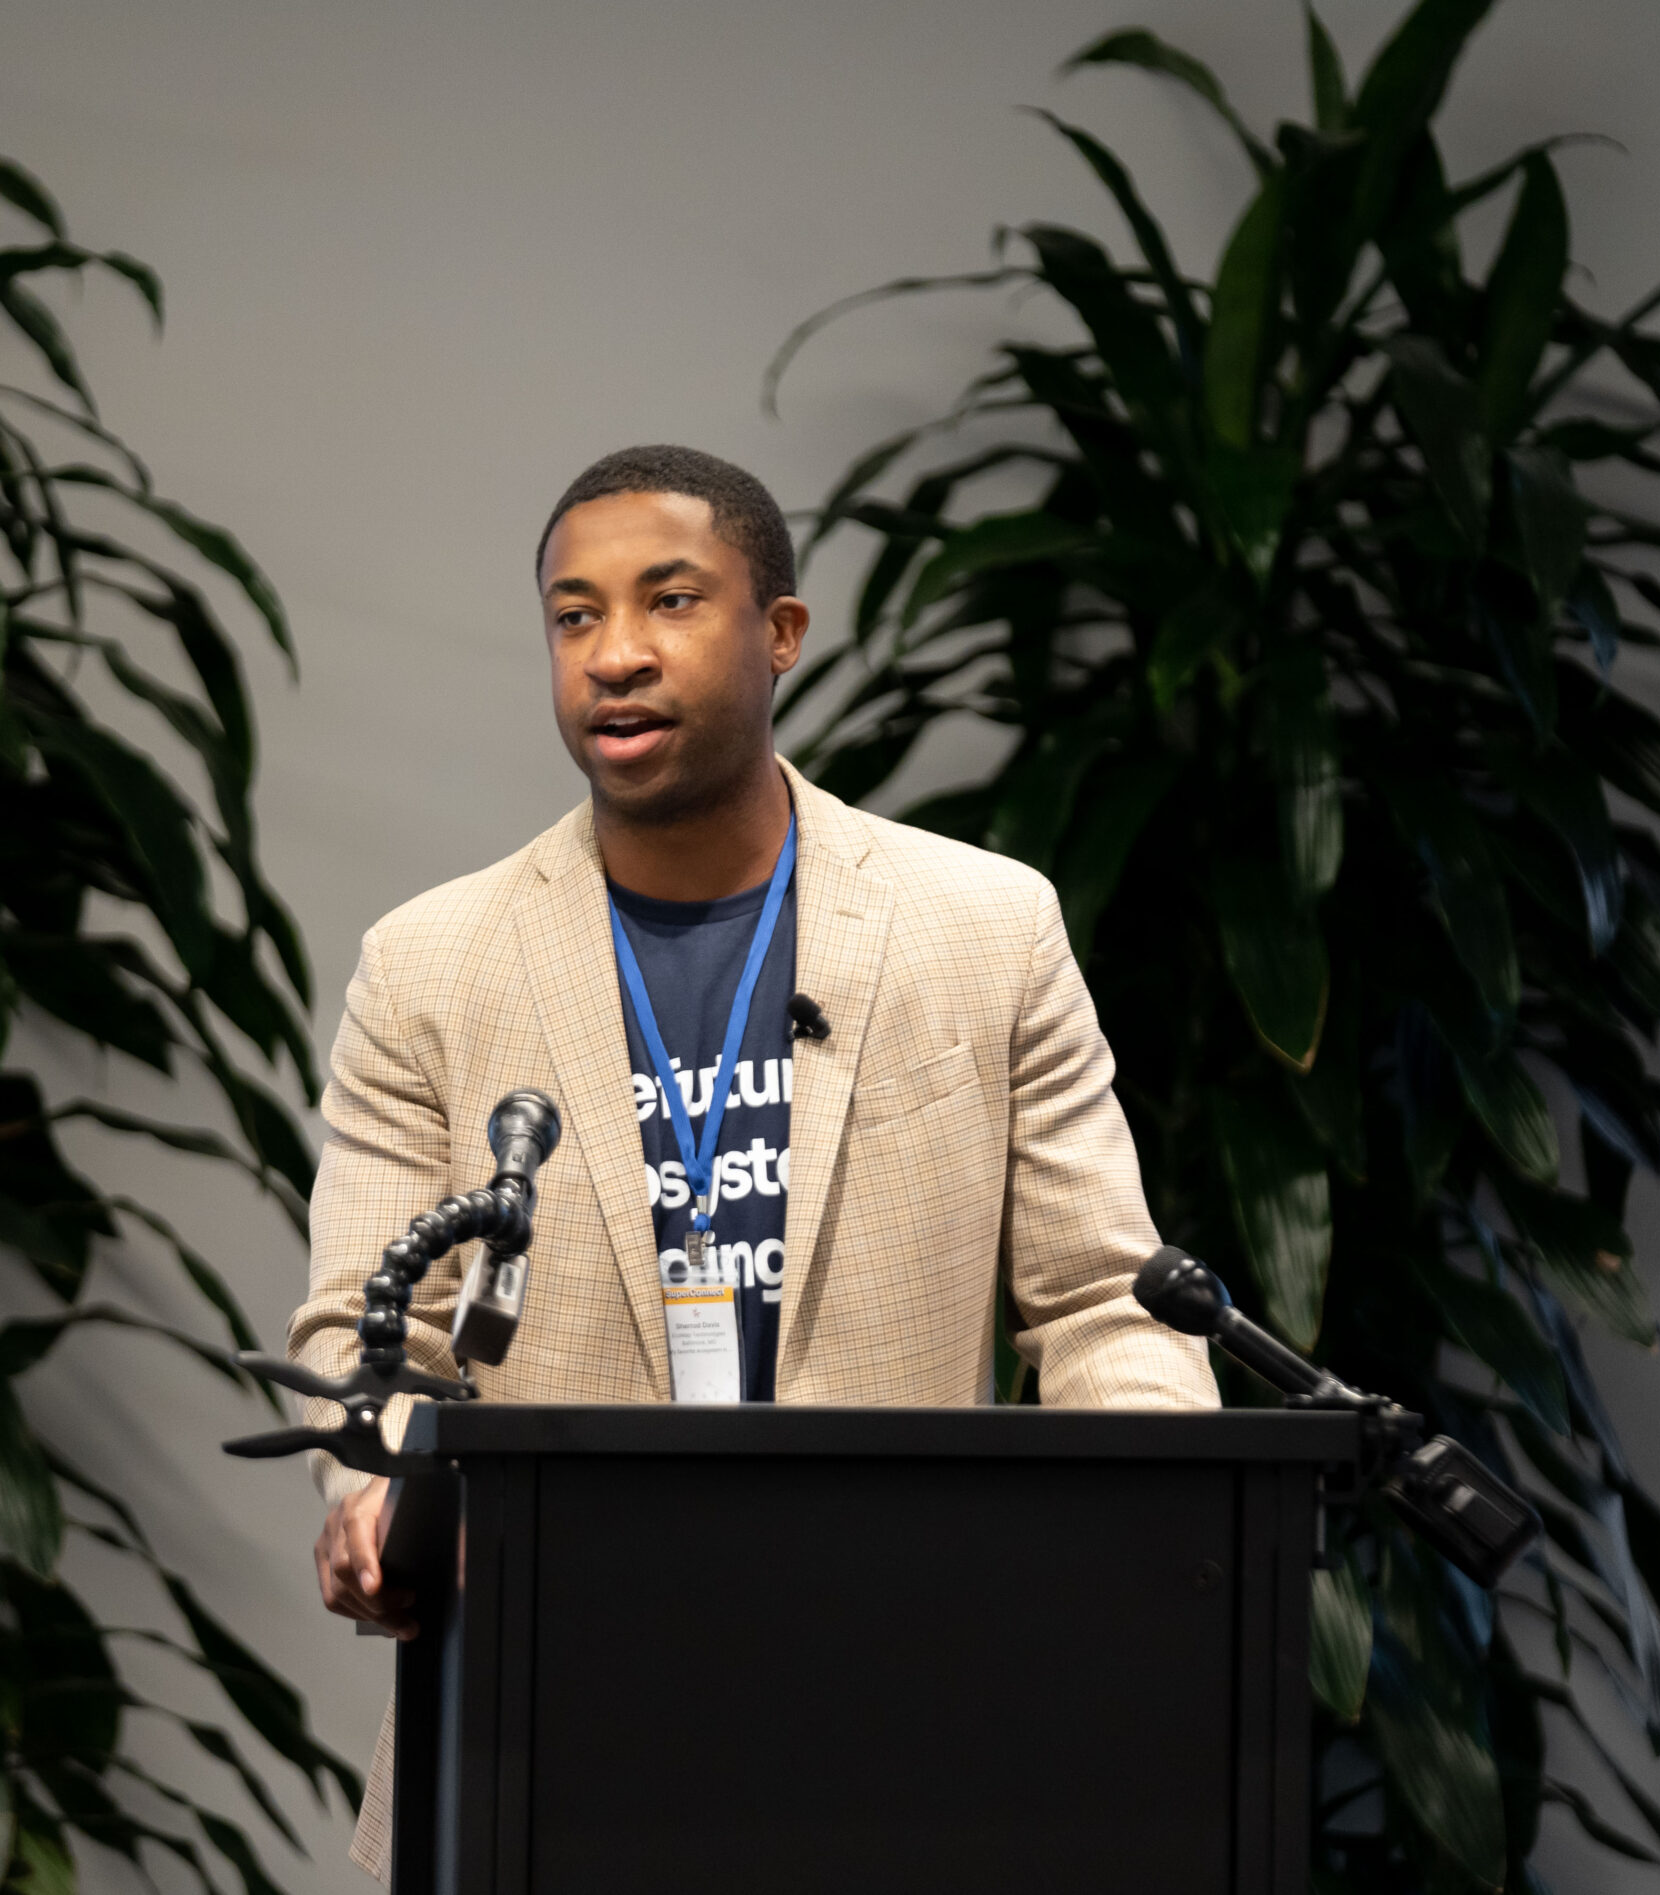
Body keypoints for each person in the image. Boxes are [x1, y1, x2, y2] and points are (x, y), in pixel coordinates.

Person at [288, 444, 1216, 1880]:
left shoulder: (983, 927)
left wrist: (1143, 1549)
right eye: (575, 615)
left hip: (914, 1708)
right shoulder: (429, 967)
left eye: (669, 601)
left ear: (780, 633)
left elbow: (1108, 1301)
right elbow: (372, 1341)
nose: (616, 656)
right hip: (541, 1721)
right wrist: (378, 1495)